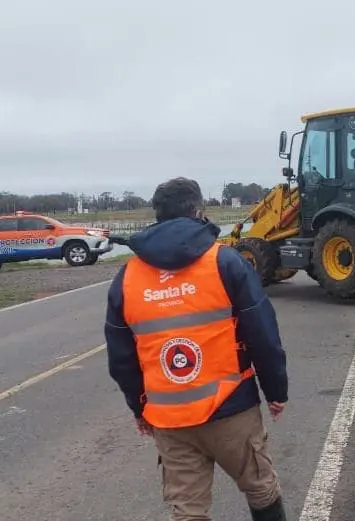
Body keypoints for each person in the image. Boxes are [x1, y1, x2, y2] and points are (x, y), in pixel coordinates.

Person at [104, 177, 289, 521]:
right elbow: (263, 332)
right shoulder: (227, 262)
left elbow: (121, 360)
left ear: (158, 215)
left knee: (187, 510)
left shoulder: (127, 277)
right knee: (261, 488)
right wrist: (276, 390)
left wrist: (139, 408)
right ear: (198, 211)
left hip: (169, 420)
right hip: (232, 408)